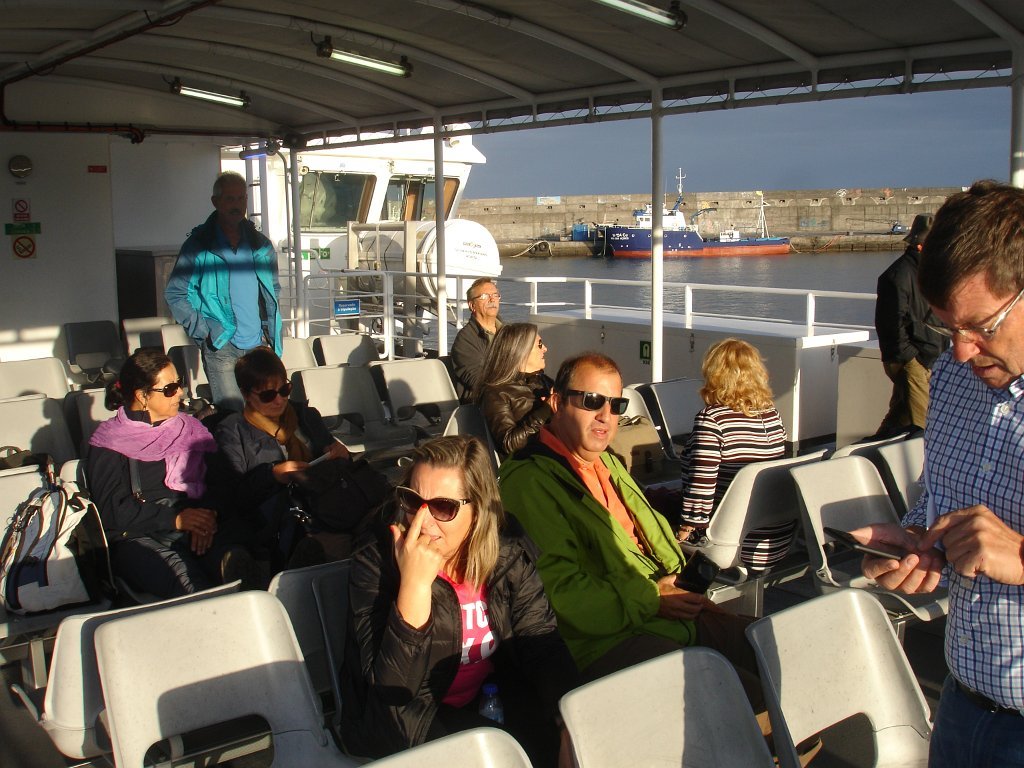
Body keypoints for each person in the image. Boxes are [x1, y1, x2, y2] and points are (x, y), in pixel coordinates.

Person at [852, 181, 1024, 767]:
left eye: (982, 326)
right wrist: (915, 543)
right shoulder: (952, 379)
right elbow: (937, 502)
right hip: (960, 704)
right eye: (950, 329)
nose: (963, 351)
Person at [498, 352, 763, 693]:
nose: (605, 416)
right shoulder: (529, 482)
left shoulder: (607, 462)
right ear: (557, 402)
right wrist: (653, 599)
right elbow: (561, 594)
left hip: (662, 615)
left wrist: (678, 589)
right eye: (592, 401)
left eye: (616, 405)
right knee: (747, 698)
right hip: (603, 642)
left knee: (775, 650)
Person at [341, 435, 576, 768]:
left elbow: (541, 642)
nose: (422, 521)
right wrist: (414, 585)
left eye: (443, 507)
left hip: (487, 696)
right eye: (412, 500)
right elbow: (393, 691)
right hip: (406, 718)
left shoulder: (506, 548)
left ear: (478, 510)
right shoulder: (376, 559)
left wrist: (567, 720)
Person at [87, 348, 256, 597]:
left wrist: (208, 514)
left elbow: (222, 480)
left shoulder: (191, 429)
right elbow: (112, 510)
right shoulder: (109, 442)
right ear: (142, 396)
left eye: (179, 383)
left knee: (238, 559)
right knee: (189, 583)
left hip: (197, 525)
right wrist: (175, 519)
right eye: (169, 389)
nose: (180, 393)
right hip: (140, 534)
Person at [212, 347, 353, 567]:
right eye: (268, 395)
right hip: (274, 518)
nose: (279, 400)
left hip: (322, 504)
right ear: (246, 394)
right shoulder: (232, 431)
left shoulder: (305, 416)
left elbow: (336, 459)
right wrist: (273, 475)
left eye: (284, 390)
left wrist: (342, 455)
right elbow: (234, 496)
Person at [165, 171, 282, 412]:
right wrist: (205, 332)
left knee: (266, 414)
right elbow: (176, 293)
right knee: (233, 417)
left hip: (258, 345)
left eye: (241, 199)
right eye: (230, 199)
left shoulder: (261, 245)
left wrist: (268, 331)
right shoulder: (198, 246)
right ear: (215, 202)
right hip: (221, 346)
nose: (237, 205)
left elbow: (273, 289)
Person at [676, 339, 789, 568]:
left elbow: (702, 487)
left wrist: (686, 528)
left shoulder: (712, 420)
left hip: (729, 543)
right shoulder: (772, 415)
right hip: (776, 540)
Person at [873, 213, 947, 435]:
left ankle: (870, 447)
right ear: (922, 245)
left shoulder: (930, 274)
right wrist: (911, 358)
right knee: (923, 426)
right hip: (913, 360)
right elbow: (890, 324)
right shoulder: (897, 276)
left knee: (901, 415)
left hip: (927, 357)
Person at [475, 323, 553, 460]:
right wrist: (546, 410)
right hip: (527, 462)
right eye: (539, 345)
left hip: (552, 452)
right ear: (522, 351)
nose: (545, 349)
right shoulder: (496, 393)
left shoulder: (543, 381)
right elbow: (509, 444)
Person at [450, 277, 502, 402]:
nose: (492, 299)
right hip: (482, 403)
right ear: (472, 305)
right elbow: (477, 380)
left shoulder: (508, 331)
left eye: (495, 295)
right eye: (484, 296)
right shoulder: (465, 340)